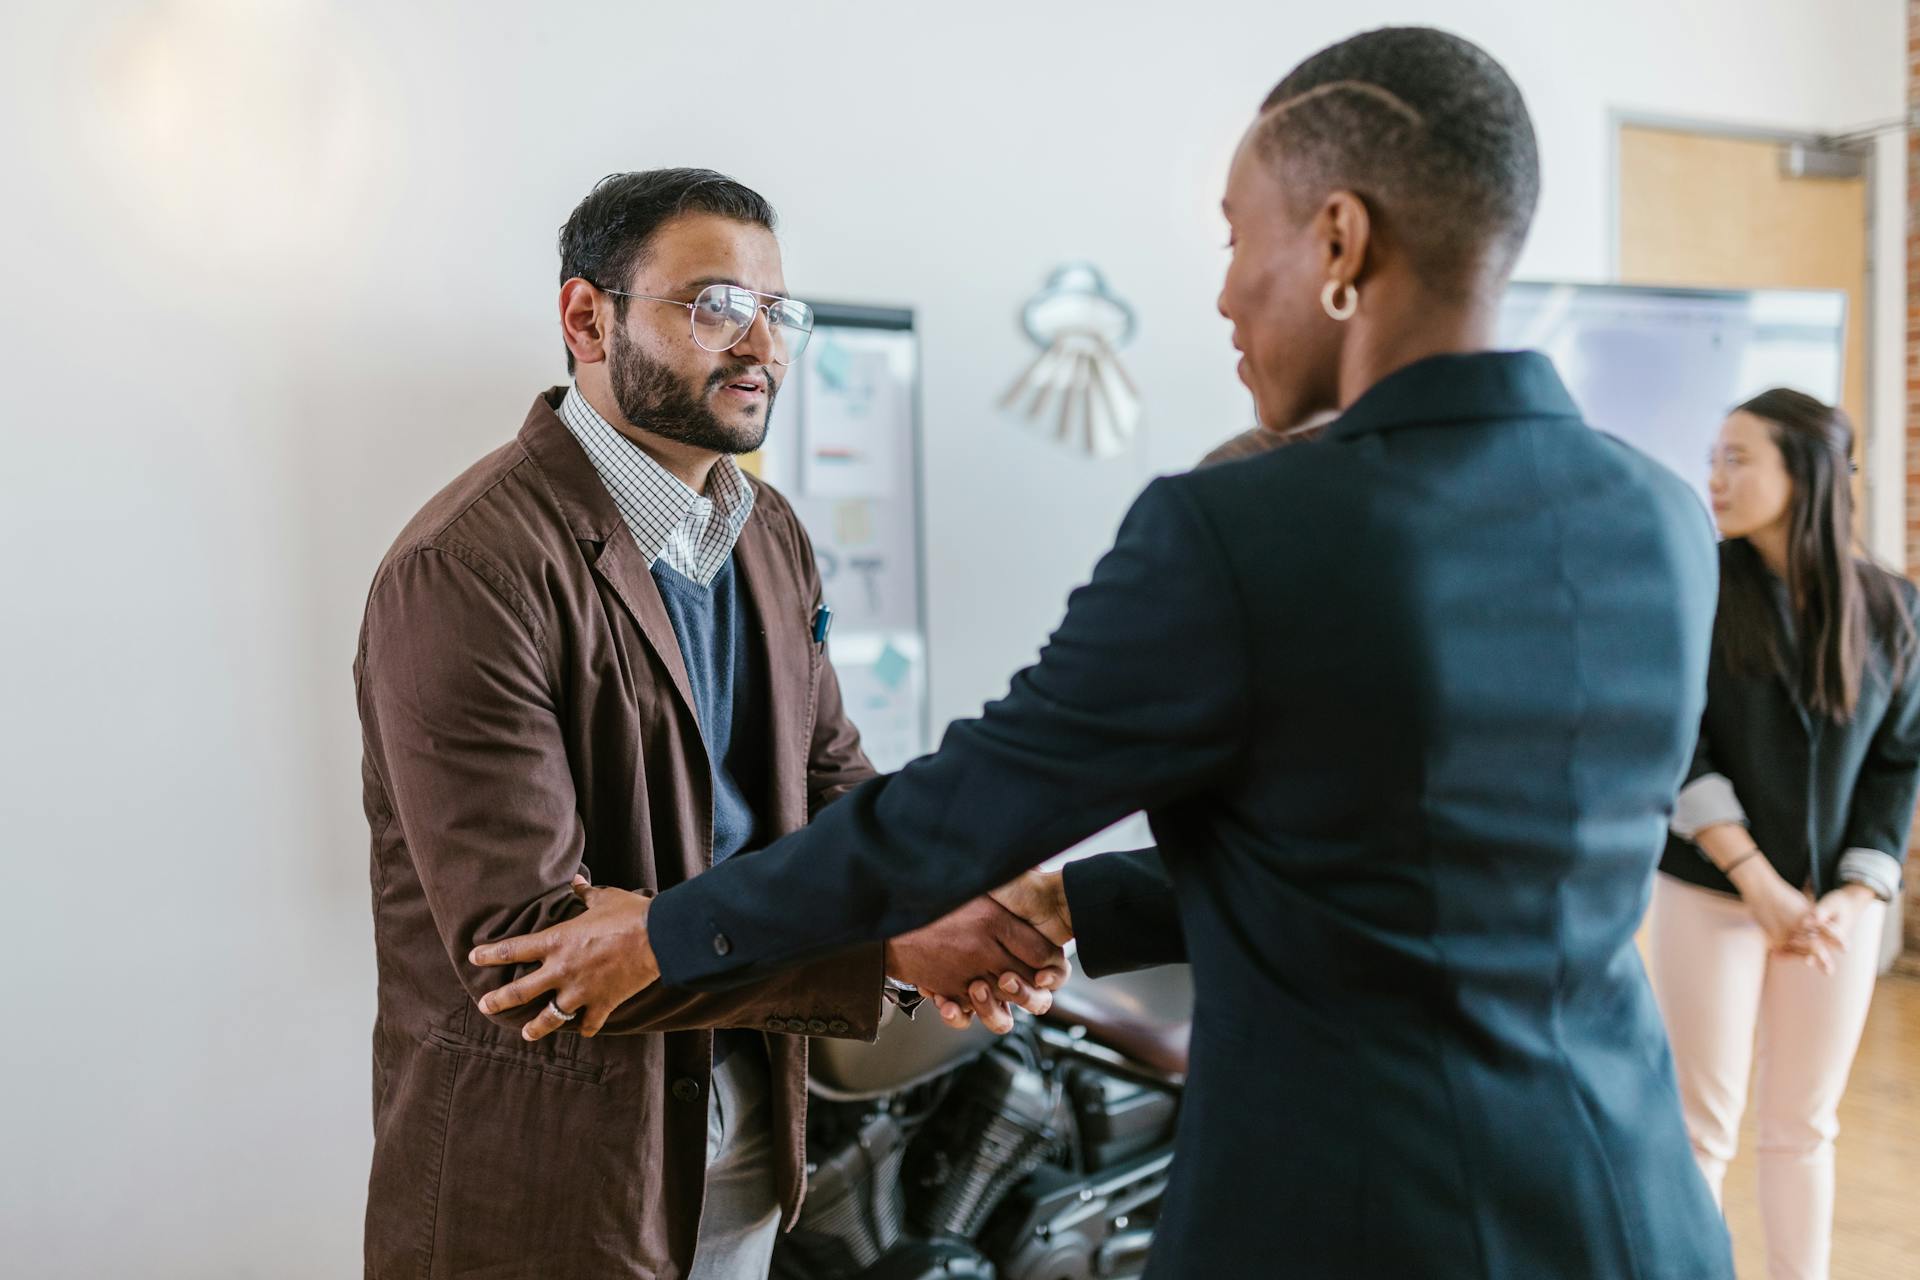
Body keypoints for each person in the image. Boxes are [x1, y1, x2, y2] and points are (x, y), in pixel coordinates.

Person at [471, 31, 1735, 1278]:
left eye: (1240, 239)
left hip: (1361, 1216)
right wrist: (1073, 902)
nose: (1228, 292)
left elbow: (960, 811)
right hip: (1632, 1204)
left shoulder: (1249, 529)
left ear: (1341, 242)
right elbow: (1410, 864)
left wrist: (668, 932)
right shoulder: (1663, 516)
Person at [354, 168, 1063, 1280]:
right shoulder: (468, 567)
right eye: (715, 305)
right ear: (586, 317)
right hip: (551, 1188)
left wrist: (941, 895)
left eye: (779, 313)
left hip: (744, 1155)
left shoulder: (767, 530)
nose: (762, 346)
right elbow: (531, 938)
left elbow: (833, 784)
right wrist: (884, 942)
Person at [1647, 389, 1919, 1280]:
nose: (1714, 477)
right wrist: (1756, 878)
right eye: (1715, 455)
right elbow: (1676, 739)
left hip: (1837, 911)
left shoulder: (1892, 607)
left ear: (1803, 474)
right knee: (1702, 1125)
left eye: (1738, 457)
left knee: (1805, 1127)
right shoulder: (1696, 583)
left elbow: (1898, 760)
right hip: (1713, 890)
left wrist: (1859, 889)